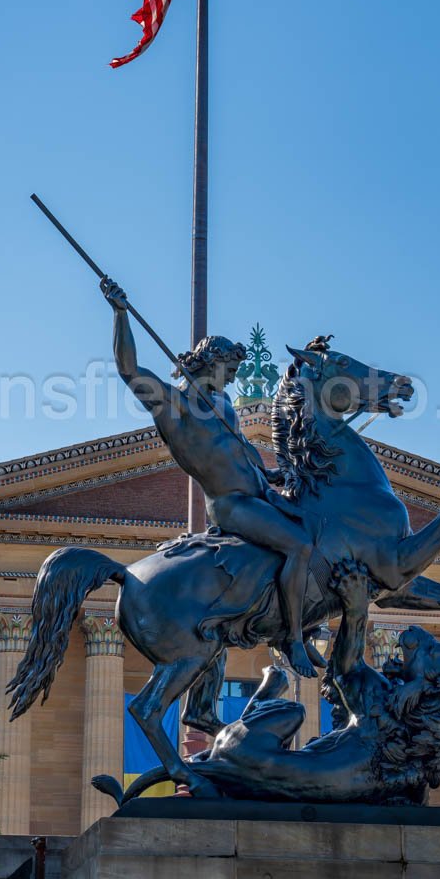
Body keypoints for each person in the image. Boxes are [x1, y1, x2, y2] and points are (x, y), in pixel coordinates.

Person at [100, 276, 325, 677]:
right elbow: (129, 369)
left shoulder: (222, 402)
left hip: (257, 495)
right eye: (231, 369)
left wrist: (273, 474)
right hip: (232, 505)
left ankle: (301, 620)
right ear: (211, 362)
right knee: (299, 546)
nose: (235, 378)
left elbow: (241, 453)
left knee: (320, 532)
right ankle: (292, 637)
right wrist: (121, 314)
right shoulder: (175, 404)